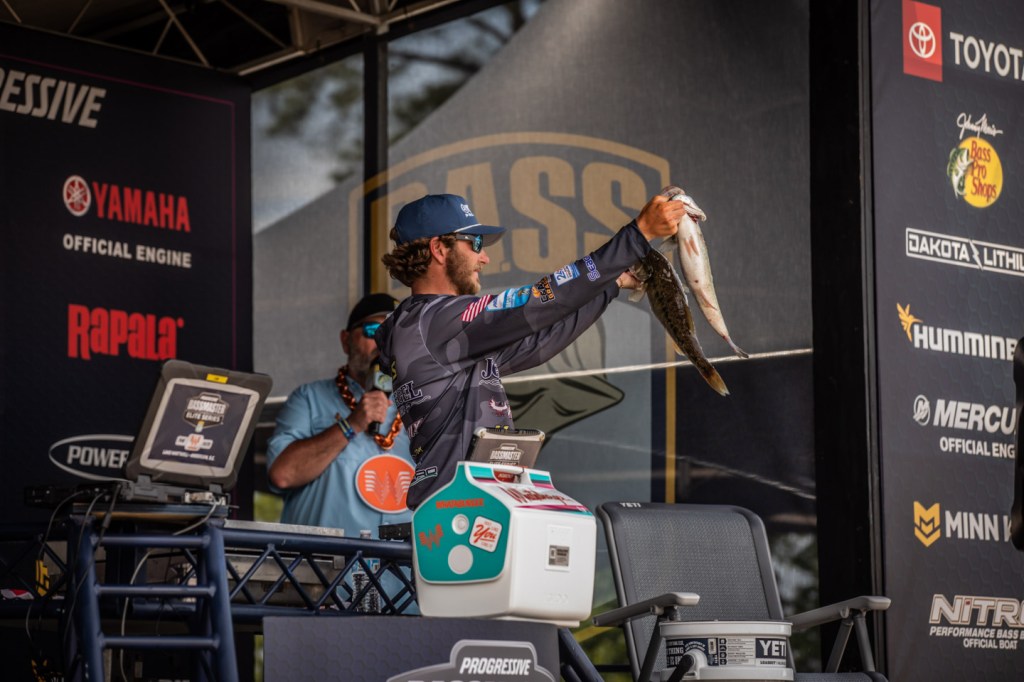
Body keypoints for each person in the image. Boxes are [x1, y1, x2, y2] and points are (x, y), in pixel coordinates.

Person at [375, 192, 685, 509]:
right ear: (439, 249)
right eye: (476, 243)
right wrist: (638, 234)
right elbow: (540, 300)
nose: (484, 258)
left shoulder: (437, 329)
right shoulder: (434, 321)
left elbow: (541, 341)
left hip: (471, 504)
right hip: (457, 510)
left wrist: (611, 283)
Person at [266, 293, 414, 537]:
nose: (384, 344)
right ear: (346, 341)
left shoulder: (419, 407)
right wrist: (352, 424)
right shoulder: (309, 398)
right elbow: (283, 475)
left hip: (400, 562)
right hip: (324, 560)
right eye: (373, 331)